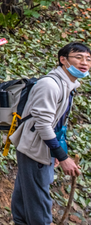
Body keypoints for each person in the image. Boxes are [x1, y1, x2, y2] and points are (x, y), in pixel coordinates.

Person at [10, 42, 87, 225]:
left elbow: (59, 123)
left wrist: (56, 152)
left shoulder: (68, 85)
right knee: (39, 203)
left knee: (24, 194)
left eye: (88, 59)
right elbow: (43, 124)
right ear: (63, 60)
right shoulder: (50, 85)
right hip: (35, 148)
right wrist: (62, 155)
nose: (84, 62)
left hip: (40, 147)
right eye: (78, 57)